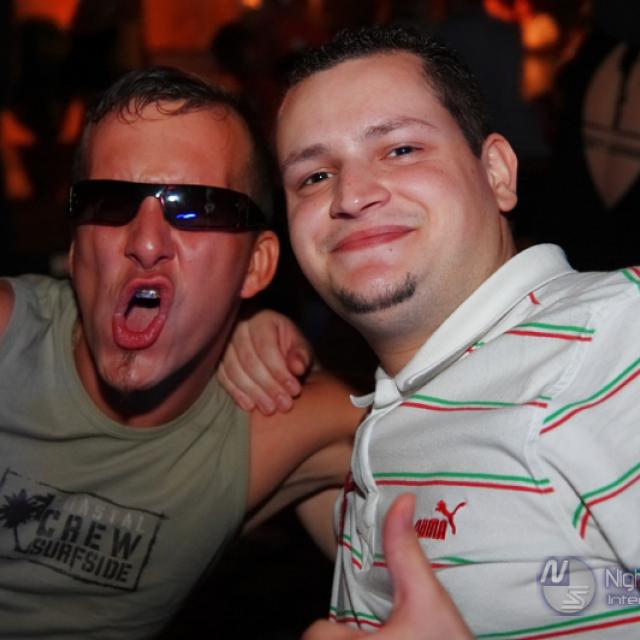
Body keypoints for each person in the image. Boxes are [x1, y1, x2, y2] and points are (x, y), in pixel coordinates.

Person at [221, 25, 640, 638]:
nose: (351, 195)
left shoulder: (613, 336)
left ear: (497, 172)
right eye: (314, 177)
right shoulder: (402, 410)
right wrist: (243, 343)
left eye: (400, 149)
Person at [0, 65, 361, 638]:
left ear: (256, 265)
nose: (146, 242)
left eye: (197, 209)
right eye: (110, 202)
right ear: (75, 249)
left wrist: (302, 362)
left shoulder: (274, 423)